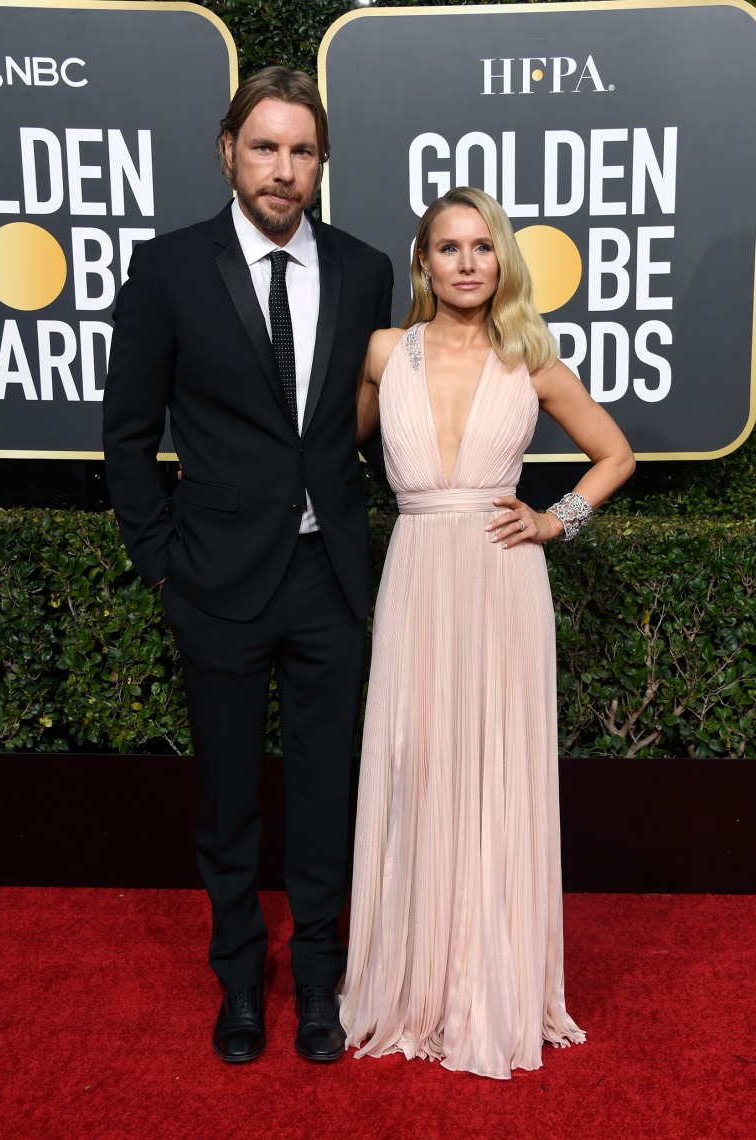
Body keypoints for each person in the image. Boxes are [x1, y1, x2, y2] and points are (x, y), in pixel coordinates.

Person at [102, 66, 393, 1065]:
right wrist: (159, 563)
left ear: (321, 163)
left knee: (325, 796)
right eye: (263, 147)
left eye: (300, 151)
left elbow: (364, 426)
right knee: (228, 800)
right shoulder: (169, 267)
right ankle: (239, 984)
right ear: (228, 149)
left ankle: (317, 980)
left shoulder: (362, 271)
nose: (281, 169)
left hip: (329, 580)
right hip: (214, 582)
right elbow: (128, 433)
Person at [339, 186, 635, 1080]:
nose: (466, 262)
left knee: (494, 770)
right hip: (418, 570)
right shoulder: (386, 352)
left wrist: (555, 521)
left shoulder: (533, 360)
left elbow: (615, 453)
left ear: (501, 259)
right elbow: (327, 453)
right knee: (415, 764)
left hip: (503, 582)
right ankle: (411, 980)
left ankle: (489, 981)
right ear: (423, 262)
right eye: (447, 247)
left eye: (481, 246)